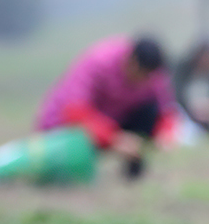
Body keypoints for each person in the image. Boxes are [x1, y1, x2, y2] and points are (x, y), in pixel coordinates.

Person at [35, 34, 178, 179]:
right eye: (144, 76)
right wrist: (114, 138)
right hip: (66, 127)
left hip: (112, 122)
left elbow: (165, 107)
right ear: (134, 62)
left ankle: (133, 170)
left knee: (149, 111)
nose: (147, 82)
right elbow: (74, 111)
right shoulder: (99, 62)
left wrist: (165, 133)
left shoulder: (153, 73)